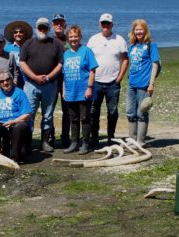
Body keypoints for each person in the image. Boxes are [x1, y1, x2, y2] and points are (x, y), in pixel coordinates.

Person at [20, 17, 64, 153]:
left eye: (45, 27)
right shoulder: (28, 43)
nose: (42, 30)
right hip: (31, 84)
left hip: (50, 85)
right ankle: (28, 143)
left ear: (48, 29)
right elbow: (22, 63)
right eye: (40, 27)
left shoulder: (56, 44)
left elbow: (60, 64)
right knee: (29, 114)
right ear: (36, 28)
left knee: (48, 115)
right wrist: (34, 77)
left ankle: (44, 142)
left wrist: (49, 76)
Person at [87, 13, 129, 147]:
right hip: (96, 82)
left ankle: (111, 136)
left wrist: (120, 77)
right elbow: (87, 59)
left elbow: (125, 59)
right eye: (103, 23)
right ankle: (95, 137)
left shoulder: (119, 40)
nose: (105, 26)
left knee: (112, 111)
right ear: (99, 24)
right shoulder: (93, 40)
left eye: (108, 23)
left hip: (113, 83)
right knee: (94, 111)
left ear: (112, 25)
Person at [62, 25, 98, 154]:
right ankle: (74, 143)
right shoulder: (66, 54)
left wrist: (89, 88)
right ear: (68, 38)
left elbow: (92, 70)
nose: (73, 39)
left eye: (75, 36)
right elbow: (64, 75)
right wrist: (64, 90)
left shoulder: (86, 51)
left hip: (83, 91)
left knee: (85, 118)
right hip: (70, 91)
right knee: (74, 119)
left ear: (80, 37)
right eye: (71, 36)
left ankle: (85, 144)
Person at [126, 19, 160, 147]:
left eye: (141, 29)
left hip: (144, 84)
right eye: (136, 29)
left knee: (142, 113)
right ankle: (132, 139)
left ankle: (140, 141)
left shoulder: (151, 45)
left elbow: (155, 64)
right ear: (133, 31)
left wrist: (151, 83)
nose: (138, 32)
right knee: (130, 112)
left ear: (145, 30)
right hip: (131, 83)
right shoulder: (132, 46)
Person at [0, 71, 31, 164]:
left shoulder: (20, 93)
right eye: (1, 81)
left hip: (15, 124)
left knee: (20, 126)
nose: (5, 83)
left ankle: (15, 158)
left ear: (12, 80)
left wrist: (13, 121)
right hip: (1, 124)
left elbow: (27, 114)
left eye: (7, 79)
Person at [52, 13, 71, 148]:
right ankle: (50, 136)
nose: (58, 25)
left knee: (67, 110)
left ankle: (65, 136)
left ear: (64, 24)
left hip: (67, 80)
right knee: (49, 110)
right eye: (56, 23)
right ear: (53, 25)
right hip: (52, 80)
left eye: (61, 22)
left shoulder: (70, 40)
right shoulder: (48, 40)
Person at [4, 20, 33, 89]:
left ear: (25, 34)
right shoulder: (7, 48)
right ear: (12, 34)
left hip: (28, 80)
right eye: (15, 32)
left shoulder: (30, 46)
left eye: (21, 32)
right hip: (13, 80)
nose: (18, 34)